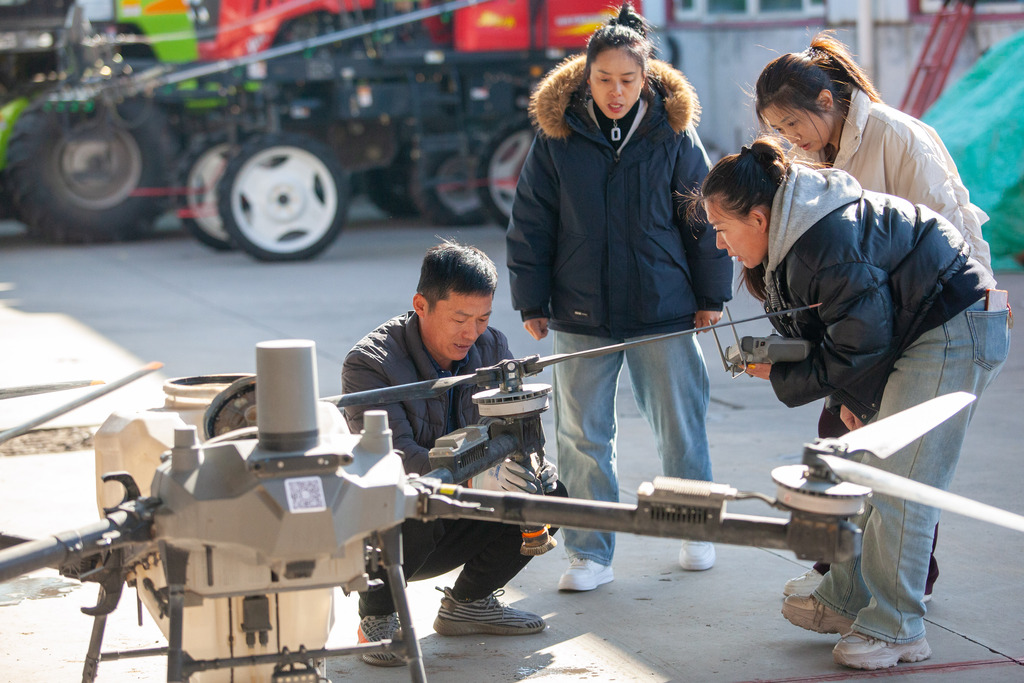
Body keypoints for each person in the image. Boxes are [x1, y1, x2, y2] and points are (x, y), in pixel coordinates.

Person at [697, 137, 1009, 670]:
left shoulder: (823, 241)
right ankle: (847, 595)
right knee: (863, 470)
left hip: (953, 329)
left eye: (722, 229)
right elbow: (855, 333)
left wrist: (793, 376)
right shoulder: (799, 236)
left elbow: (860, 343)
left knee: (902, 484)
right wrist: (849, 396)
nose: (721, 245)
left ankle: (898, 628)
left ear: (759, 218)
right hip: (915, 332)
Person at [754, 30, 998, 600]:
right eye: (778, 130)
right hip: (869, 316)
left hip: (929, 313)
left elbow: (951, 230)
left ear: (826, 101)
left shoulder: (896, 136)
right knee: (841, 439)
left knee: (902, 461)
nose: (789, 139)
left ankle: (900, 588)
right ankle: (841, 577)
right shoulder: (817, 153)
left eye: (792, 123)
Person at [506, 3, 733, 592]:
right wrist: (532, 299)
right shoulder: (557, 136)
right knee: (581, 436)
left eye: (627, 80)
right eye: (603, 78)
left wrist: (711, 293)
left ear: (645, 77)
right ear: (586, 76)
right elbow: (531, 220)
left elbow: (703, 217)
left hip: (664, 306)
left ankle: (694, 529)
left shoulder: (673, 133)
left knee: (680, 427)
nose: (615, 92)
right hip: (580, 308)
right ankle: (589, 553)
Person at [341, 241, 567, 667]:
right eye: (459, 319)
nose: (471, 333)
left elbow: (514, 427)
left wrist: (529, 463)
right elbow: (395, 459)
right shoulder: (369, 363)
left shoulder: (492, 347)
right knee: (412, 499)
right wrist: (479, 477)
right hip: (397, 528)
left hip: (461, 513)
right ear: (421, 305)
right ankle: (377, 616)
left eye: (483, 318)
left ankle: (469, 603)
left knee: (550, 494)